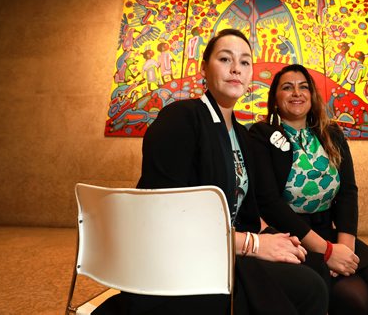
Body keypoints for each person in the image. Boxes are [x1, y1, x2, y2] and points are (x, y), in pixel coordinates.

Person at [94, 31, 328, 315]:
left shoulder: (243, 135)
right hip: (177, 263)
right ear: (203, 68)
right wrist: (252, 244)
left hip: (222, 253)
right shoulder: (180, 118)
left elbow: (244, 213)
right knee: (307, 288)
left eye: (244, 62)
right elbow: (161, 217)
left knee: (313, 267)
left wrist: (274, 238)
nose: (235, 69)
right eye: (225, 59)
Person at [249, 64, 368, 315]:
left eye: (303, 87)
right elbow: (269, 202)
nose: (296, 93)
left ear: (312, 95)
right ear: (275, 99)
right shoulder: (261, 134)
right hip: (292, 236)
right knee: (356, 299)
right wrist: (327, 252)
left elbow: (347, 192)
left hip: (330, 230)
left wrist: (344, 247)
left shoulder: (331, 132)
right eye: (287, 88)